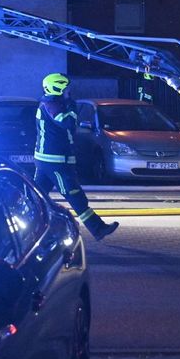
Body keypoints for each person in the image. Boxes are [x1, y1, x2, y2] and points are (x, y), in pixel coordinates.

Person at [33, 73, 119, 241]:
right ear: (56, 88)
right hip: (56, 161)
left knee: (37, 197)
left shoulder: (50, 103)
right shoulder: (52, 105)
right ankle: (98, 228)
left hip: (48, 160)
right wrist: (72, 107)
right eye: (65, 90)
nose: (68, 93)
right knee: (74, 194)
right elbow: (67, 123)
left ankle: (30, 229)